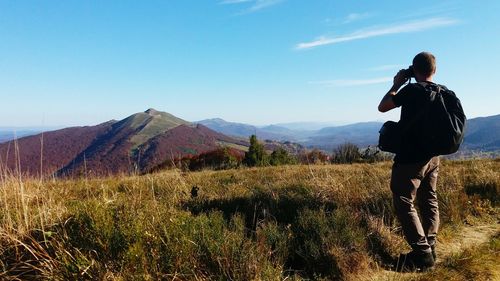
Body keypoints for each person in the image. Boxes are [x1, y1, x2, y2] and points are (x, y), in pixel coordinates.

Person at [378, 52, 443, 271]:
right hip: (434, 157)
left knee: (403, 200)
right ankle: (430, 246)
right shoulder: (443, 92)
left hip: (411, 158)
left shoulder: (412, 90)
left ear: (414, 70)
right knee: (429, 200)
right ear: (434, 70)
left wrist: (396, 84)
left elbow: (383, 106)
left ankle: (421, 255)